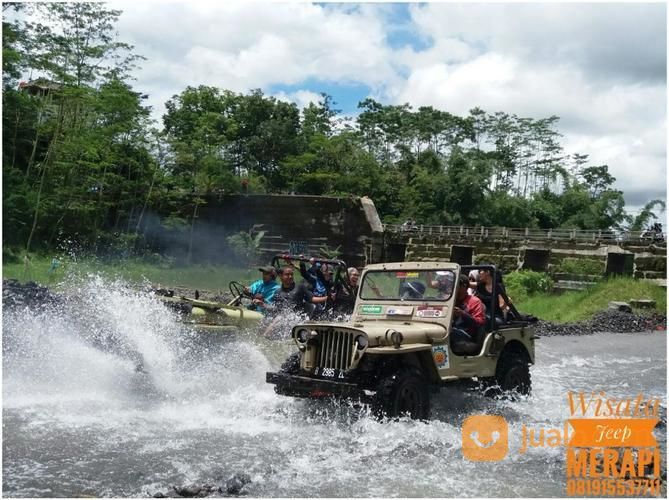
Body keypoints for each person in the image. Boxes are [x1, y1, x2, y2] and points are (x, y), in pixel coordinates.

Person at [451, 274, 486, 350]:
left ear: (464, 286)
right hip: (451, 329)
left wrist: (463, 314)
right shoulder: (449, 299)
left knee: (448, 334)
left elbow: (480, 323)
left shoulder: (474, 301)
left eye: (456, 285)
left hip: (466, 334)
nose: (452, 288)